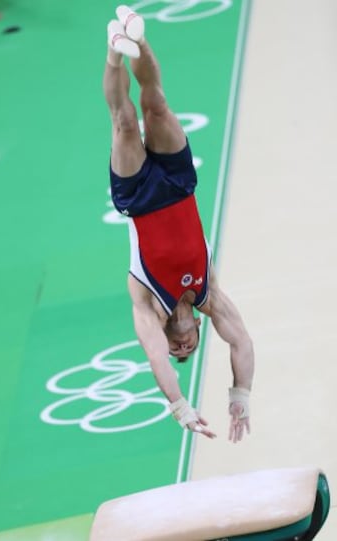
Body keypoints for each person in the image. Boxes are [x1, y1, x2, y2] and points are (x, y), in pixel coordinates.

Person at [104, 5, 254, 442]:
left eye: (178, 350)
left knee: (126, 122)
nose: (180, 348)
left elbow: (155, 357)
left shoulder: (147, 304)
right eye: (188, 348)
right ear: (200, 328)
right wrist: (240, 395)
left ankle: (119, 51)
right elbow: (242, 341)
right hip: (179, 185)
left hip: (138, 199)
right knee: (157, 105)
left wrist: (179, 405)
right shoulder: (211, 294)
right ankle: (133, 39)